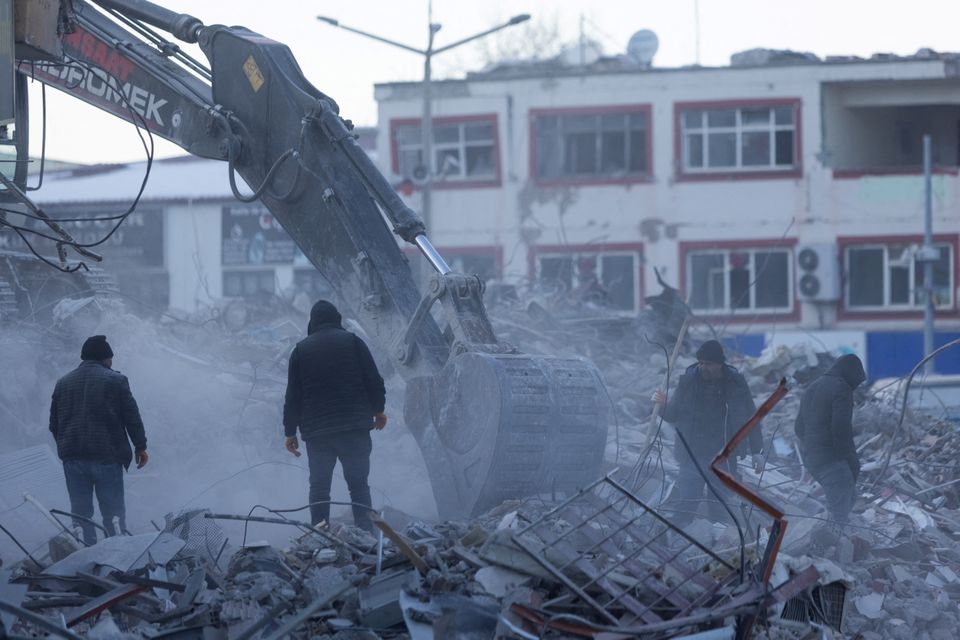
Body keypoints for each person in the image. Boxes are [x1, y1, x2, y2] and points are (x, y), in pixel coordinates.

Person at [283, 300, 386, 531]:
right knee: (359, 485)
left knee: (319, 487)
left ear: (313, 323)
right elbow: (374, 381)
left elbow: (293, 398)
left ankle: (320, 534)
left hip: (318, 434)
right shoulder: (353, 342)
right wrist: (378, 410)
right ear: (337, 319)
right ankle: (365, 532)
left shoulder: (300, 350)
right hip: (354, 428)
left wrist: (290, 433)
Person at [49, 335, 148, 546]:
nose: (112, 363)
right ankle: (116, 550)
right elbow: (132, 417)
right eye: (110, 358)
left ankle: (87, 552)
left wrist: (68, 446)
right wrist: (140, 446)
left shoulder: (62, 383)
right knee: (112, 512)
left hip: (73, 460)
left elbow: (54, 425)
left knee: (81, 513)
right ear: (105, 358)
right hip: (107, 457)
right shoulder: (116, 380)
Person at [654, 339, 763, 526]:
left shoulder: (736, 383)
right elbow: (673, 414)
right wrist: (660, 405)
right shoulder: (688, 381)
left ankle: (716, 545)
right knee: (686, 504)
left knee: (719, 508)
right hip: (692, 455)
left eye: (709, 364)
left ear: (720, 364)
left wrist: (757, 451)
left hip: (723, 457)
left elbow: (750, 416)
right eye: (702, 363)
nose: (704, 368)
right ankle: (677, 541)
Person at [794, 354, 865, 527]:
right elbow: (841, 428)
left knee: (850, 496)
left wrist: (813, 447)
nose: (855, 388)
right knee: (838, 516)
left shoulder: (811, 388)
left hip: (813, 459)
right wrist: (849, 460)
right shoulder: (841, 388)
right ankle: (827, 548)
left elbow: (798, 428)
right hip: (832, 460)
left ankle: (824, 539)